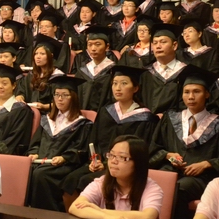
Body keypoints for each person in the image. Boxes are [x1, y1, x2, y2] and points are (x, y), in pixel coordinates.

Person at [149, 65, 219, 219]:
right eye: (186, 92)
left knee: (179, 188)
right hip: (171, 171)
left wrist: (206, 164)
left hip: (201, 178)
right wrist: (168, 155)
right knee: (157, 182)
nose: (191, 96)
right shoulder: (170, 119)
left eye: (196, 91)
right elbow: (154, 148)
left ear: (207, 94)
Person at [61, 65, 159, 205]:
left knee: (85, 181)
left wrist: (108, 163)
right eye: (114, 83)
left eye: (124, 83)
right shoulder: (106, 112)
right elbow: (94, 140)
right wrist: (95, 161)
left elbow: (140, 151)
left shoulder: (145, 118)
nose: (118, 88)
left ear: (135, 88)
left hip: (124, 168)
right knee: (70, 181)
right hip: (99, 163)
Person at [27, 76, 93, 211]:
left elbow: (80, 149)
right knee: (27, 170)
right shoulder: (47, 120)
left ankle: (47, 214)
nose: (60, 99)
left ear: (73, 98)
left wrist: (64, 157)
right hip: (43, 161)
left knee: (41, 175)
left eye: (64, 95)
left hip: (64, 165)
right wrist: (34, 153)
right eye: (57, 94)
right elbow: (36, 142)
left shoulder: (82, 124)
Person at [68, 135, 162, 219]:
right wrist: (105, 217)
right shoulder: (101, 183)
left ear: (138, 163)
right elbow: (75, 207)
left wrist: (100, 211)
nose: (113, 161)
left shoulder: (151, 188)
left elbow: (147, 217)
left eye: (122, 157)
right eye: (111, 155)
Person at [139, 24, 187, 114]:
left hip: (175, 120)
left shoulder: (185, 72)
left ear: (174, 45)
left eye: (163, 42)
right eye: (155, 43)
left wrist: (167, 117)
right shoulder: (145, 73)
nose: (158, 46)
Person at [72, 26, 117, 112]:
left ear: (107, 47)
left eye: (98, 44)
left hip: (105, 116)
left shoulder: (112, 71)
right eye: (90, 44)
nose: (93, 49)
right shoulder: (82, 72)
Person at [15, 36, 65, 113]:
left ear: (51, 56)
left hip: (49, 114)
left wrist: (44, 107)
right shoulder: (31, 75)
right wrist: (20, 97)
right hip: (29, 112)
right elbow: (22, 90)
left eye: (42, 54)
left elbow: (63, 103)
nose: (38, 57)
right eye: (36, 54)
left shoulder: (58, 77)